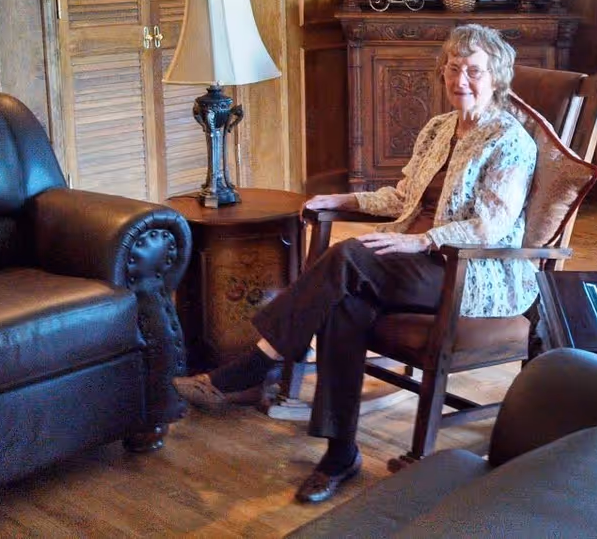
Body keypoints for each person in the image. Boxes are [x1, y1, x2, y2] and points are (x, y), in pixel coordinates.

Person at [174, 24, 539, 503]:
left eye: (474, 71)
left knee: (348, 257)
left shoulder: (511, 140)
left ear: (497, 78)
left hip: (470, 271)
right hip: (410, 261)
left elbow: (490, 227)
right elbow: (402, 197)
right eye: (453, 69)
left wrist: (421, 241)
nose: (461, 80)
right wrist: (344, 197)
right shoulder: (438, 129)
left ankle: (255, 363)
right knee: (344, 305)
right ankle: (340, 453)